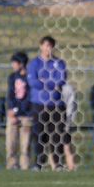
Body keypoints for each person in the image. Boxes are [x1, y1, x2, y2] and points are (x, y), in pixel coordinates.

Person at [27, 36, 68, 171]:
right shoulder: (34, 63)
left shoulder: (59, 63)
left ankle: (58, 164)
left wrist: (44, 81)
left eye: (50, 46)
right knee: (39, 135)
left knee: (57, 135)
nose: (48, 48)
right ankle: (38, 164)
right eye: (46, 45)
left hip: (56, 105)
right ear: (40, 46)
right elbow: (33, 82)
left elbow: (61, 80)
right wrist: (51, 84)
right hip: (39, 104)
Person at [5, 51, 32, 170]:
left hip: (27, 115)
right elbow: (10, 95)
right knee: (10, 144)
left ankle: (25, 167)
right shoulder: (12, 77)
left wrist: (16, 110)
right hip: (12, 116)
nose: (12, 65)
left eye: (14, 63)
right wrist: (11, 111)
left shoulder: (30, 77)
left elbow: (29, 98)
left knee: (25, 145)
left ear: (21, 64)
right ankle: (11, 166)